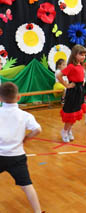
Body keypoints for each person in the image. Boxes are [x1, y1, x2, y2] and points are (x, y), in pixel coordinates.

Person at [0, 82, 42, 213]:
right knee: (27, 186)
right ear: (18, 97)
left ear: (0, 98)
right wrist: (26, 138)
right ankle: (38, 211)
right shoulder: (25, 115)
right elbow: (37, 129)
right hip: (17, 157)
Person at [56, 45, 86, 143]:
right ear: (74, 55)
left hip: (79, 91)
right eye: (81, 54)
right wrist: (67, 85)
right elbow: (59, 75)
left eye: (84, 55)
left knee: (75, 113)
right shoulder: (71, 66)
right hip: (73, 92)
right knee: (70, 113)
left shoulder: (80, 66)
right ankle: (64, 131)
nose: (83, 57)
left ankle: (69, 130)